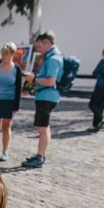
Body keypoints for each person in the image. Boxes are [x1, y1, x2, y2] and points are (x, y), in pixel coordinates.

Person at [22, 30, 63, 168]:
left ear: (47, 43)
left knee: (43, 128)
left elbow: (51, 81)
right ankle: (41, 154)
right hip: (46, 96)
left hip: (47, 96)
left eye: (39, 46)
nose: (38, 50)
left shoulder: (53, 59)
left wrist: (33, 79)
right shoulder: (52, 57)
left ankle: (40, 157)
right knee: (44, 127)